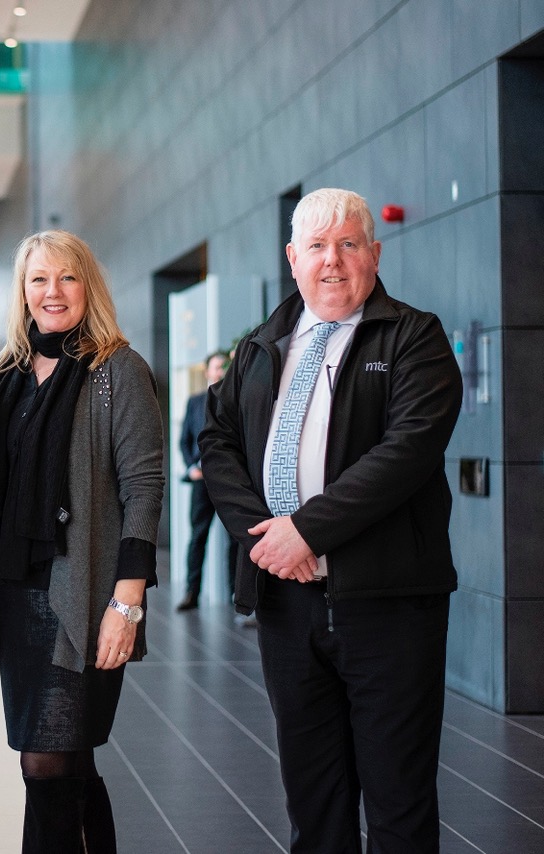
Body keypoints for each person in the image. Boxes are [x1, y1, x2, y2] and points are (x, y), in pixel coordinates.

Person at [199, 188, 462, 852]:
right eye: (317, 246)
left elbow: (407, 452)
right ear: (293, 258)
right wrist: (264, 539)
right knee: (313, 800)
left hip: (388, 603)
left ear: (375, 253)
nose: (332, 261)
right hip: (288, 606)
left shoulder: (415, 336)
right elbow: (217, 442)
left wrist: (306, 531)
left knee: (398, 799)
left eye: (348, 244)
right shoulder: (260, 346)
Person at [0, 230, 164, 853]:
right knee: (67, 762)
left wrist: (127, 603)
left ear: (88, 287)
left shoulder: (117, 370)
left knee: (45, 764)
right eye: (38, 279)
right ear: (22, 292)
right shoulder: (10, 376)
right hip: (15, 595)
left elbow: (144, 487)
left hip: (80, 597)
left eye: (67, 277)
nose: (53, 291)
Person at [177, 350, 228, 611]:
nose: (220, 372)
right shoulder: (195, 401)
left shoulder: (235, 399)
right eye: (216, 367)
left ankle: (236, 597)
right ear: (207, 371)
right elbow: (184, 440)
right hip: (201, 481)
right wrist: (191, 467)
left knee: (237, 540)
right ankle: (191, 593)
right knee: (198, 536)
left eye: (224, 367)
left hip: (229, 482)